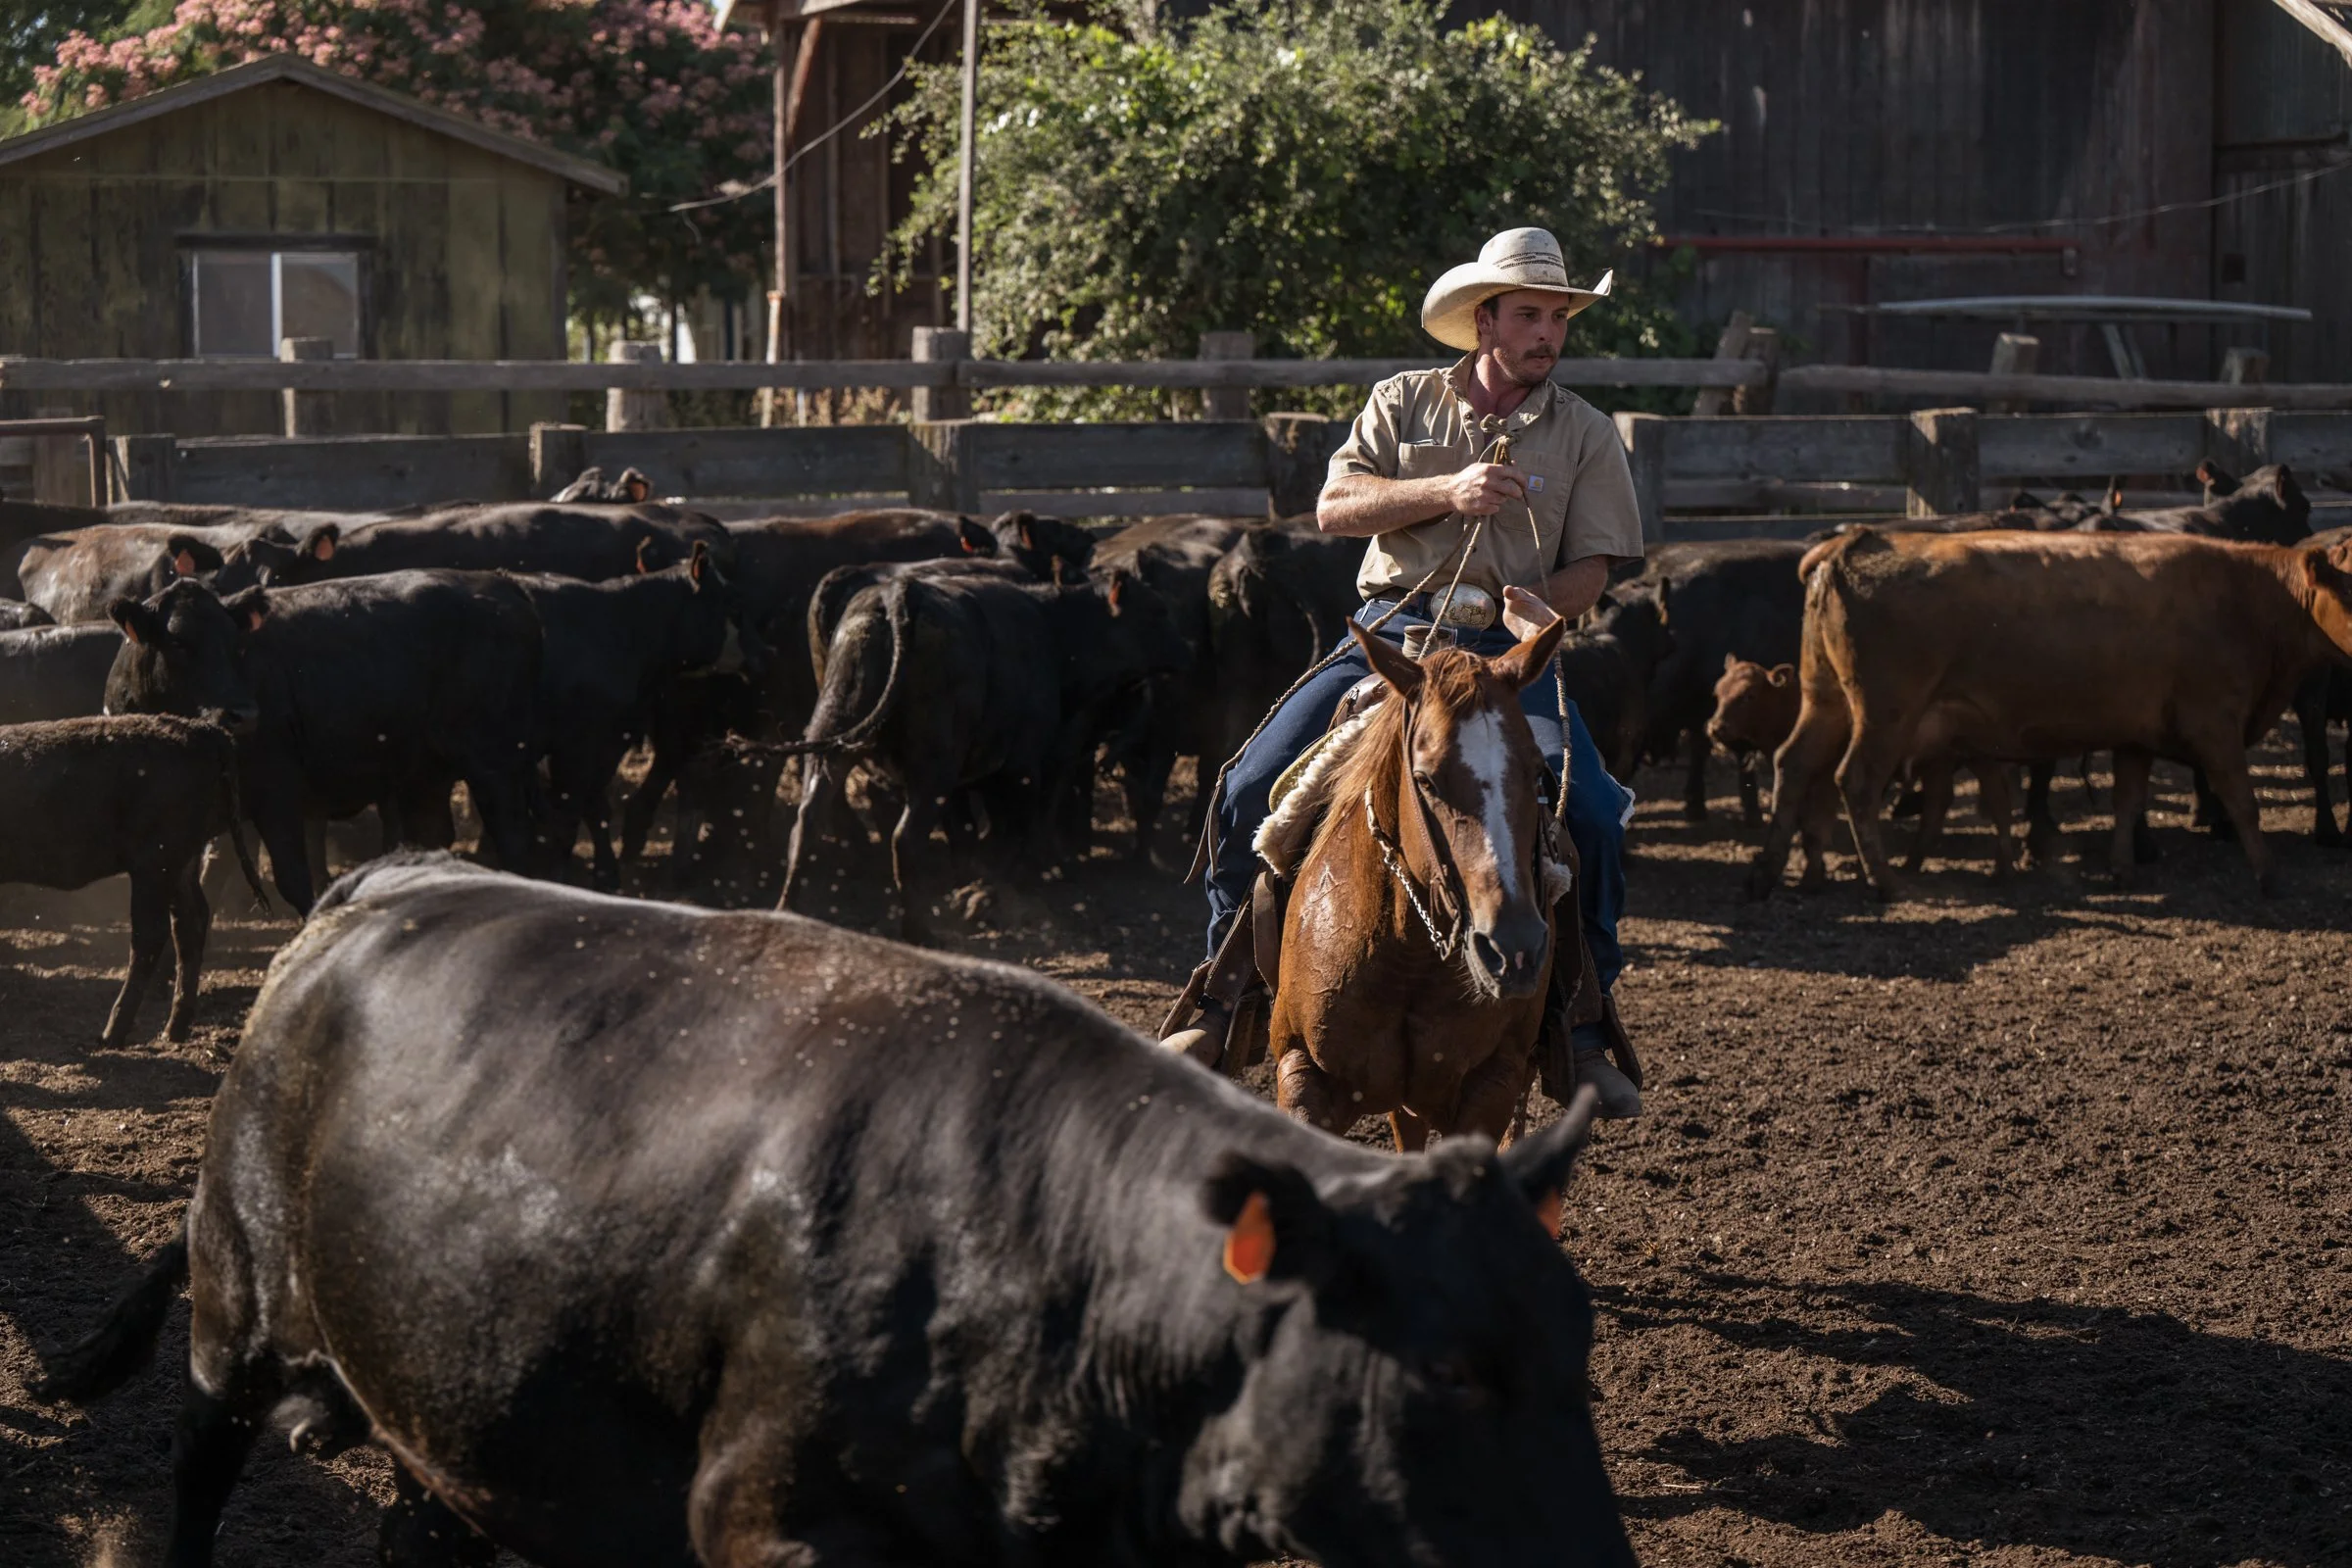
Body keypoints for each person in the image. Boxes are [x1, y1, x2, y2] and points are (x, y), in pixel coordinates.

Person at [1163, 226, 1646, 1117]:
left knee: (1592, 814)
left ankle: (1581, 1030)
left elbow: (1600, 564)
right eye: (1531, 315)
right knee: (1246, 788)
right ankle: (1226, 1000)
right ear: (1484, 321)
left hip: (1507, 658)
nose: (1549, 333)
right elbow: (1335, 506)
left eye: (1560, 317)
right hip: (1396, 639)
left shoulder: (1584, 434)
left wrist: (1546, 604)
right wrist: (1445, 491)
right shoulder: (1403, 403)